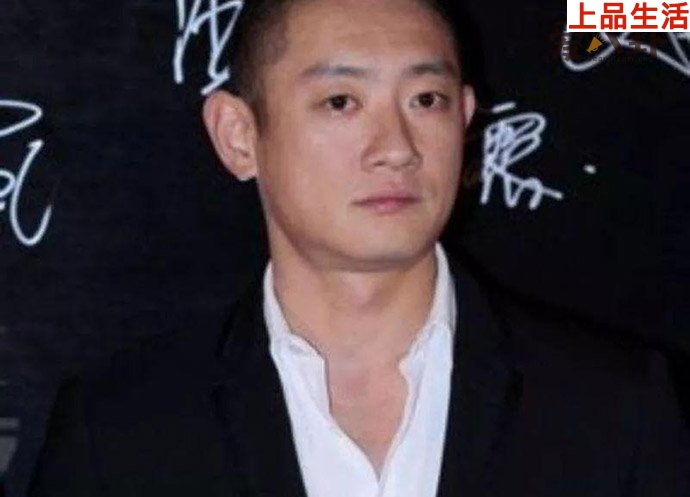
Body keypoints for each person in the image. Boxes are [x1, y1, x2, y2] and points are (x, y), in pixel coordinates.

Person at [27, 0, 687, 496]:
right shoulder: (118, 427)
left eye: (425, 99)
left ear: (464, 120)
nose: (396, 148)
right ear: (238, 135)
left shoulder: (614, 408)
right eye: (341, 101)